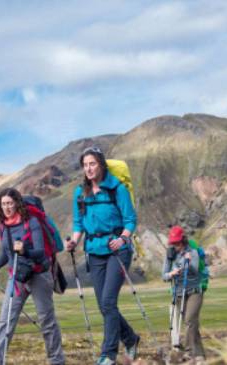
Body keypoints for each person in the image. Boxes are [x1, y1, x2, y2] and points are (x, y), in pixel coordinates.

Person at [65, 147, 139, 365]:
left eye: (92, 163)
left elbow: (130, 219)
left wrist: (123, 238)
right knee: (104, 305)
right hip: (94, 251)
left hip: (117, 250)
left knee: (108, 301)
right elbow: (79, 223)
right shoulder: (80, 193)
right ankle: (131, 339)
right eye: (85, 165)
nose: (88, 168)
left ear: (101, 165)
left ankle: (108, 354)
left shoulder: (117, 189)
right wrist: (74, 242)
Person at [0, 188, 64, 365]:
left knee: (46, 320)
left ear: (17, 203)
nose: (7, 207)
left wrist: (25, 250)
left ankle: (57, 361)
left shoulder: (31, 222)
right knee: (6, 319)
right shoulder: (3, 226)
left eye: (10, 203)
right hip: (16, 277)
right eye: (3, 204)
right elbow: (6, 253)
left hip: (39, 275)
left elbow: (41, 252)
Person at [162, 225, 206, 362]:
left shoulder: (192, 252)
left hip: (194, 291)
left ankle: (188, 352)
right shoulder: (170, 255)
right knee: (192, 325)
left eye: (177, 243)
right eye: (173, 243)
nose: (175, 246)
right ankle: (200, 355)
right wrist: (172, 274)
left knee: (189, 320)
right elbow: (164, 276)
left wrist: (188, 262)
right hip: (179, 292)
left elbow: (195, 270)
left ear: (182, 241)